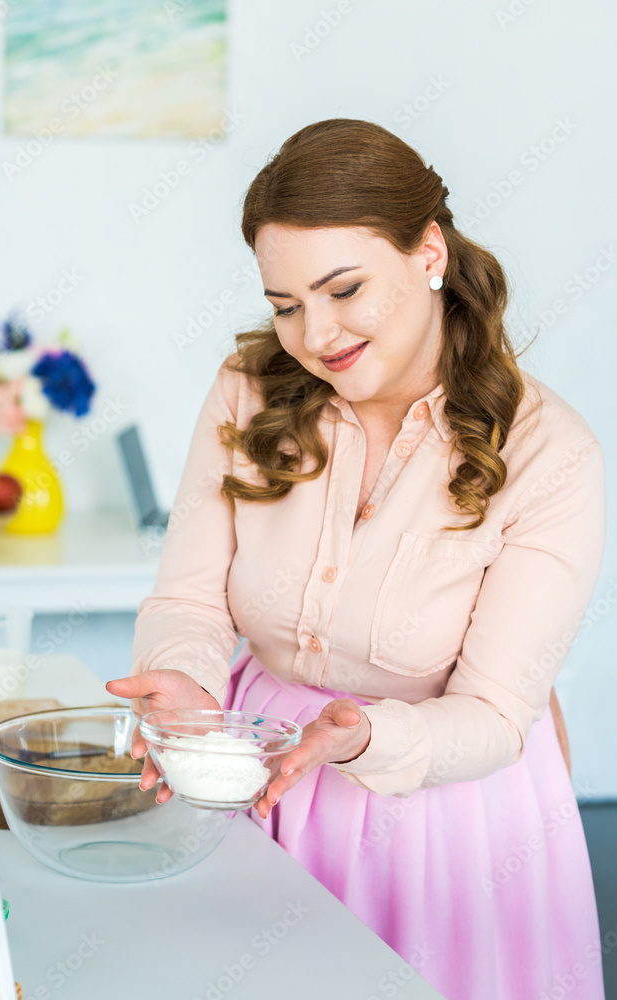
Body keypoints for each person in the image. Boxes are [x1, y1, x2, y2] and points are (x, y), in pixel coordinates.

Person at [106, 119, 607, 1000]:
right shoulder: (247, 390)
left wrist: (367, 734)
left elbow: (493, 715)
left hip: (453, 821)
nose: (315, 335)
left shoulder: (549, 451)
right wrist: (185, 686)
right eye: (285, 304)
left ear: (428, 253)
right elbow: (188, 599)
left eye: (344, 289)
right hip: (268, 791)